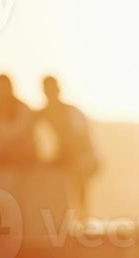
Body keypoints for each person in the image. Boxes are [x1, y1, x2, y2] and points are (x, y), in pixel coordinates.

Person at [38, 76, 99, 214]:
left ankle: (81, 217)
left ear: (58, 90)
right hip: (67, 159)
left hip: (82, 158)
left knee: (78, 178)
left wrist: (63, 157)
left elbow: (81, 141)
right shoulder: (45, 113)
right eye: (48, 90)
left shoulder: (71, 112)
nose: (50, 94)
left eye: (52, 89)